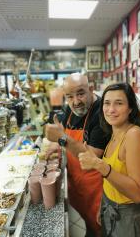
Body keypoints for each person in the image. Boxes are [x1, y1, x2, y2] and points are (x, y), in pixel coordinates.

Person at [78, 83, 140, 237]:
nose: (111, 110)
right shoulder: (113, 132)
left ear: (130, 108)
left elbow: (138, 194)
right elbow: (111, 181)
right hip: (110, 208)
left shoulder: (134, 135)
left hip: (130, 220)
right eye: (107, 103)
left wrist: (100, 165)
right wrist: (104, 204)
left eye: (119, 103)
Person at [45, 73, 110, 237]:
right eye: (69, 96)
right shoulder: (70, 109)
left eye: (81, 93)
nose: (75, 101)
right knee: (87, 226)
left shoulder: (102, 113)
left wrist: (61, 139)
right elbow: (64, 135)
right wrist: (56, 146)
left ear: (91, 89)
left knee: (101, 230)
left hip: (97, 190)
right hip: (78, 185)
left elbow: (92, 158)